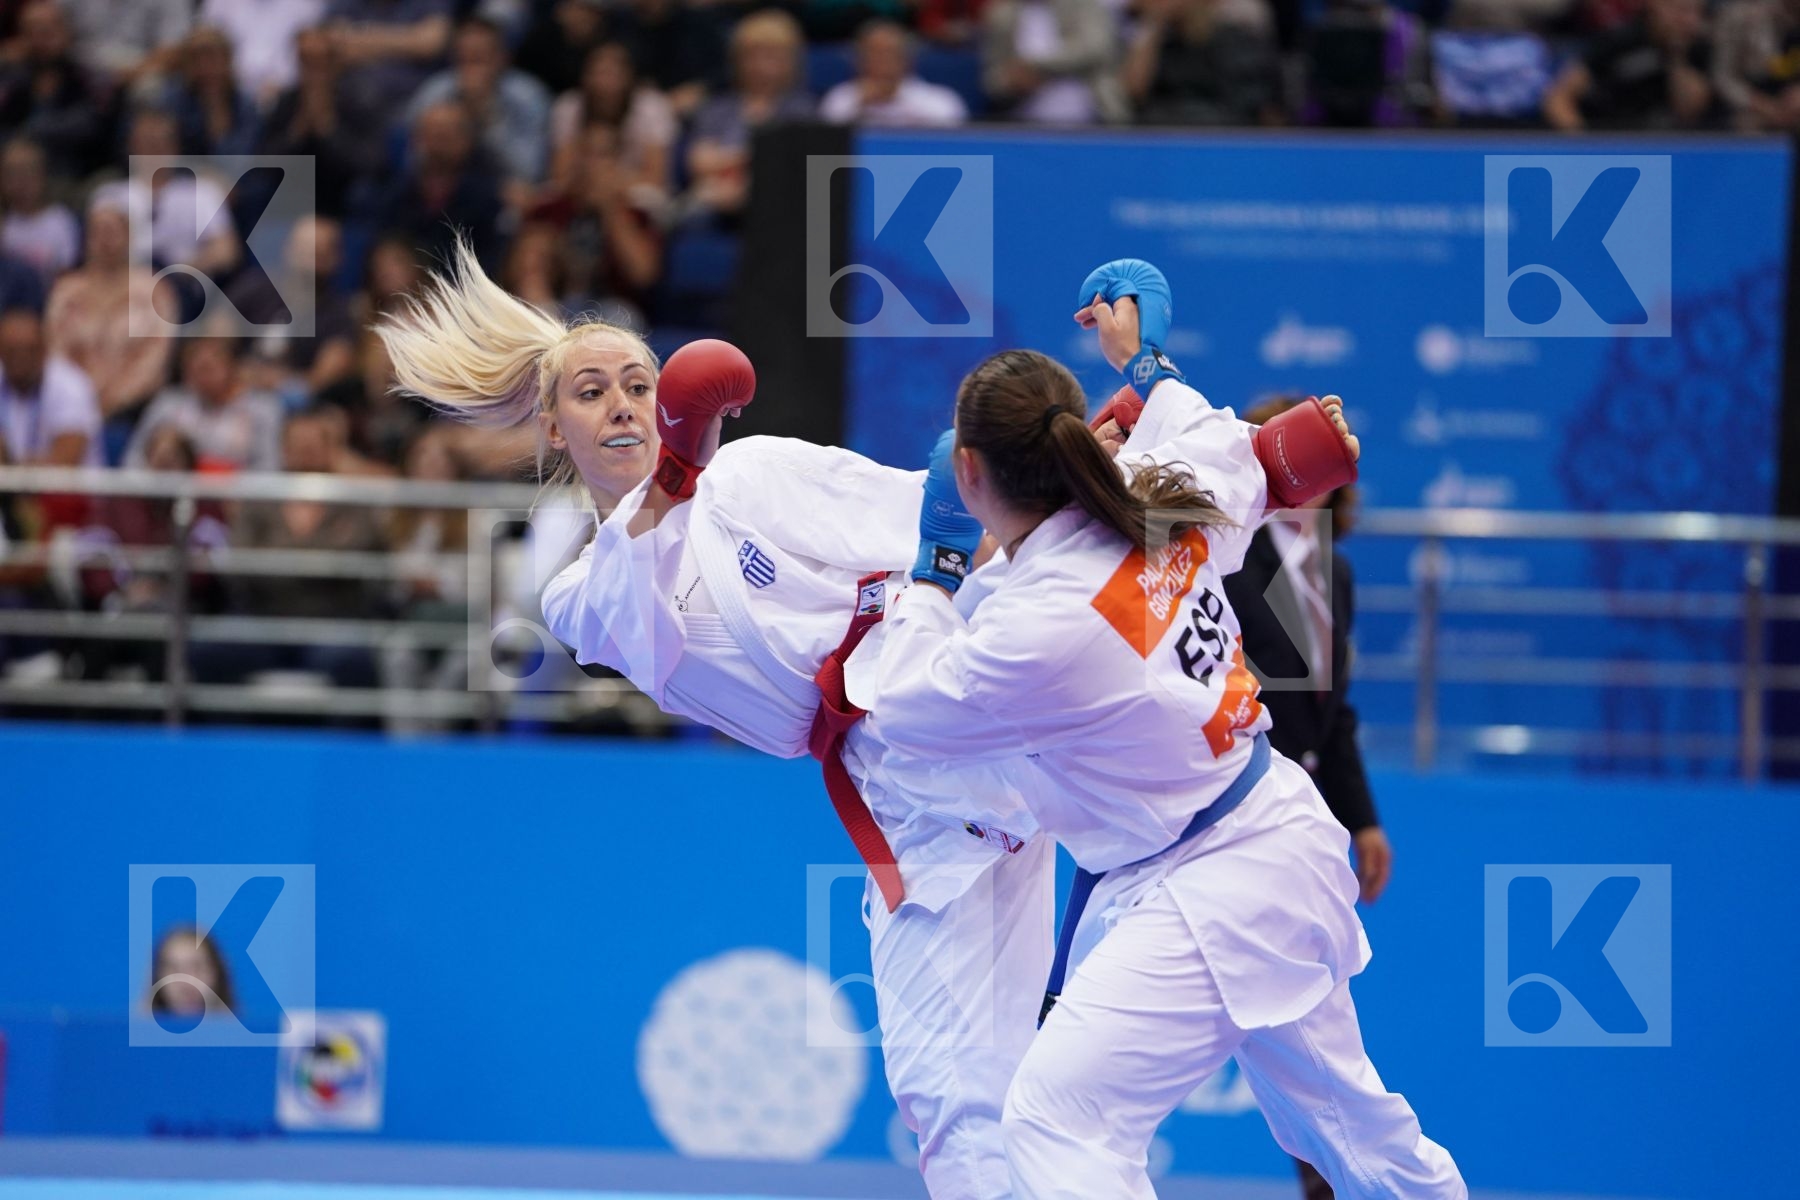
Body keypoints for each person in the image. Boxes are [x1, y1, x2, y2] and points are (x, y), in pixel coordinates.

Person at [375, 241, 1054, 1200]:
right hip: (909, 794)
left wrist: (1064, 502)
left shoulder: (758, 472)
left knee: (956, 1098)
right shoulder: (576, 585)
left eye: (639, 385)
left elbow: (939, 513)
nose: (621, 405)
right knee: (996, 1095)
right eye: (591, 393)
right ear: (554, 430)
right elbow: (643, 613)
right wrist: (680, 468)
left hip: (968, 713)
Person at [859, 260, 1464, 1198]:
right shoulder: (1152, 496)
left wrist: (935, 570)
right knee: (1353, 1128)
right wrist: (1143, 361)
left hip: (1210, 880)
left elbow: (904, 711)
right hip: (1275, 837)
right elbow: (1226, 443)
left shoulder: (1036, 618)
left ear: (969, 471)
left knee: (1056, 1120)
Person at [1225, 394, 1392, 1200]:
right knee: (1271, 1020)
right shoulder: (1224, 556)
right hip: (1231, 817)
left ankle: (1325, 1183)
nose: (1320, 469)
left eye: (1333, 454)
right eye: (1303, 450)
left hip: (1312, 826)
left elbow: (1337, 713)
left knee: (1308, 1016)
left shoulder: (1338, 568)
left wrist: (1361, 817)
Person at [45, 193, 174, 422]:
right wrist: (80, 401)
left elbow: (155, 358)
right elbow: (56, 350)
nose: (105, 240)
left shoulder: (154, 290)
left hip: (134, 410)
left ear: (129, 237)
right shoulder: (66, 291)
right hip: (72, 406)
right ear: (87, 239)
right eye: (98, 232)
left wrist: (112, 402)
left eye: (113, 232)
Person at [1542, 0, 1714, 129]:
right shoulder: (1620, 42)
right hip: (1610, 136)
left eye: (1696, 13)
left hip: (1667, 148)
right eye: (1681, 11)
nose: (1689, 21)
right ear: (1655, 7)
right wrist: (1585, 145)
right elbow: (1559, 99)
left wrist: (1676, 57)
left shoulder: (1698, 49)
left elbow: (1690, 111)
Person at [125, 337, 284, 473]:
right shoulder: (168, 405)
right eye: (192, 370)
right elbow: (134, 458)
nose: (200, 377)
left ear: (231, 368)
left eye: (207, 369)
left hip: (239, 499)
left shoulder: (262, 408)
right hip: (175, 496)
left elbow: (269, 465)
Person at [820, 19, 970, 127]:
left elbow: (953, 144)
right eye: (873, 53)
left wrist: (898, 99)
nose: (882, 62)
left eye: (890, 53)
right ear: (858, 60)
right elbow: (826, 146)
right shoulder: (841, 98)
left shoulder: (941, 100)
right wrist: (860, 105)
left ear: (908, 60)